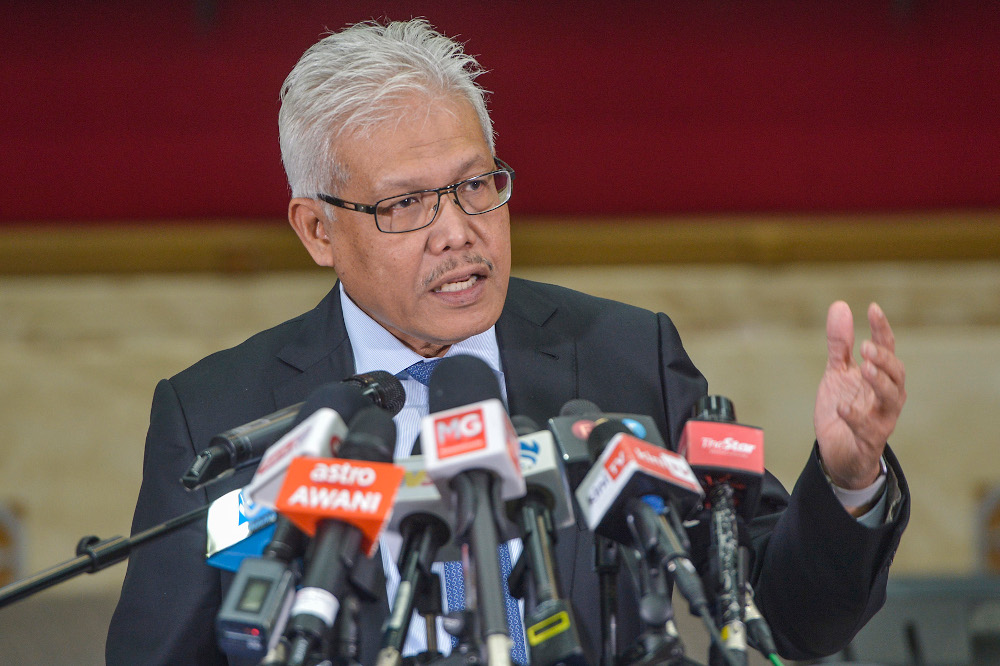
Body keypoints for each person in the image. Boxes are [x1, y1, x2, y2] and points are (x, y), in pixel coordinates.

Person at [106, 19, 909, 666]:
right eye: (406, 206)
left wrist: (848, 479)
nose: (458, 233)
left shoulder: (625, 359)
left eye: (476, 185)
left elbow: (787, 618)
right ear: (318, 229)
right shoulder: (218, 414)